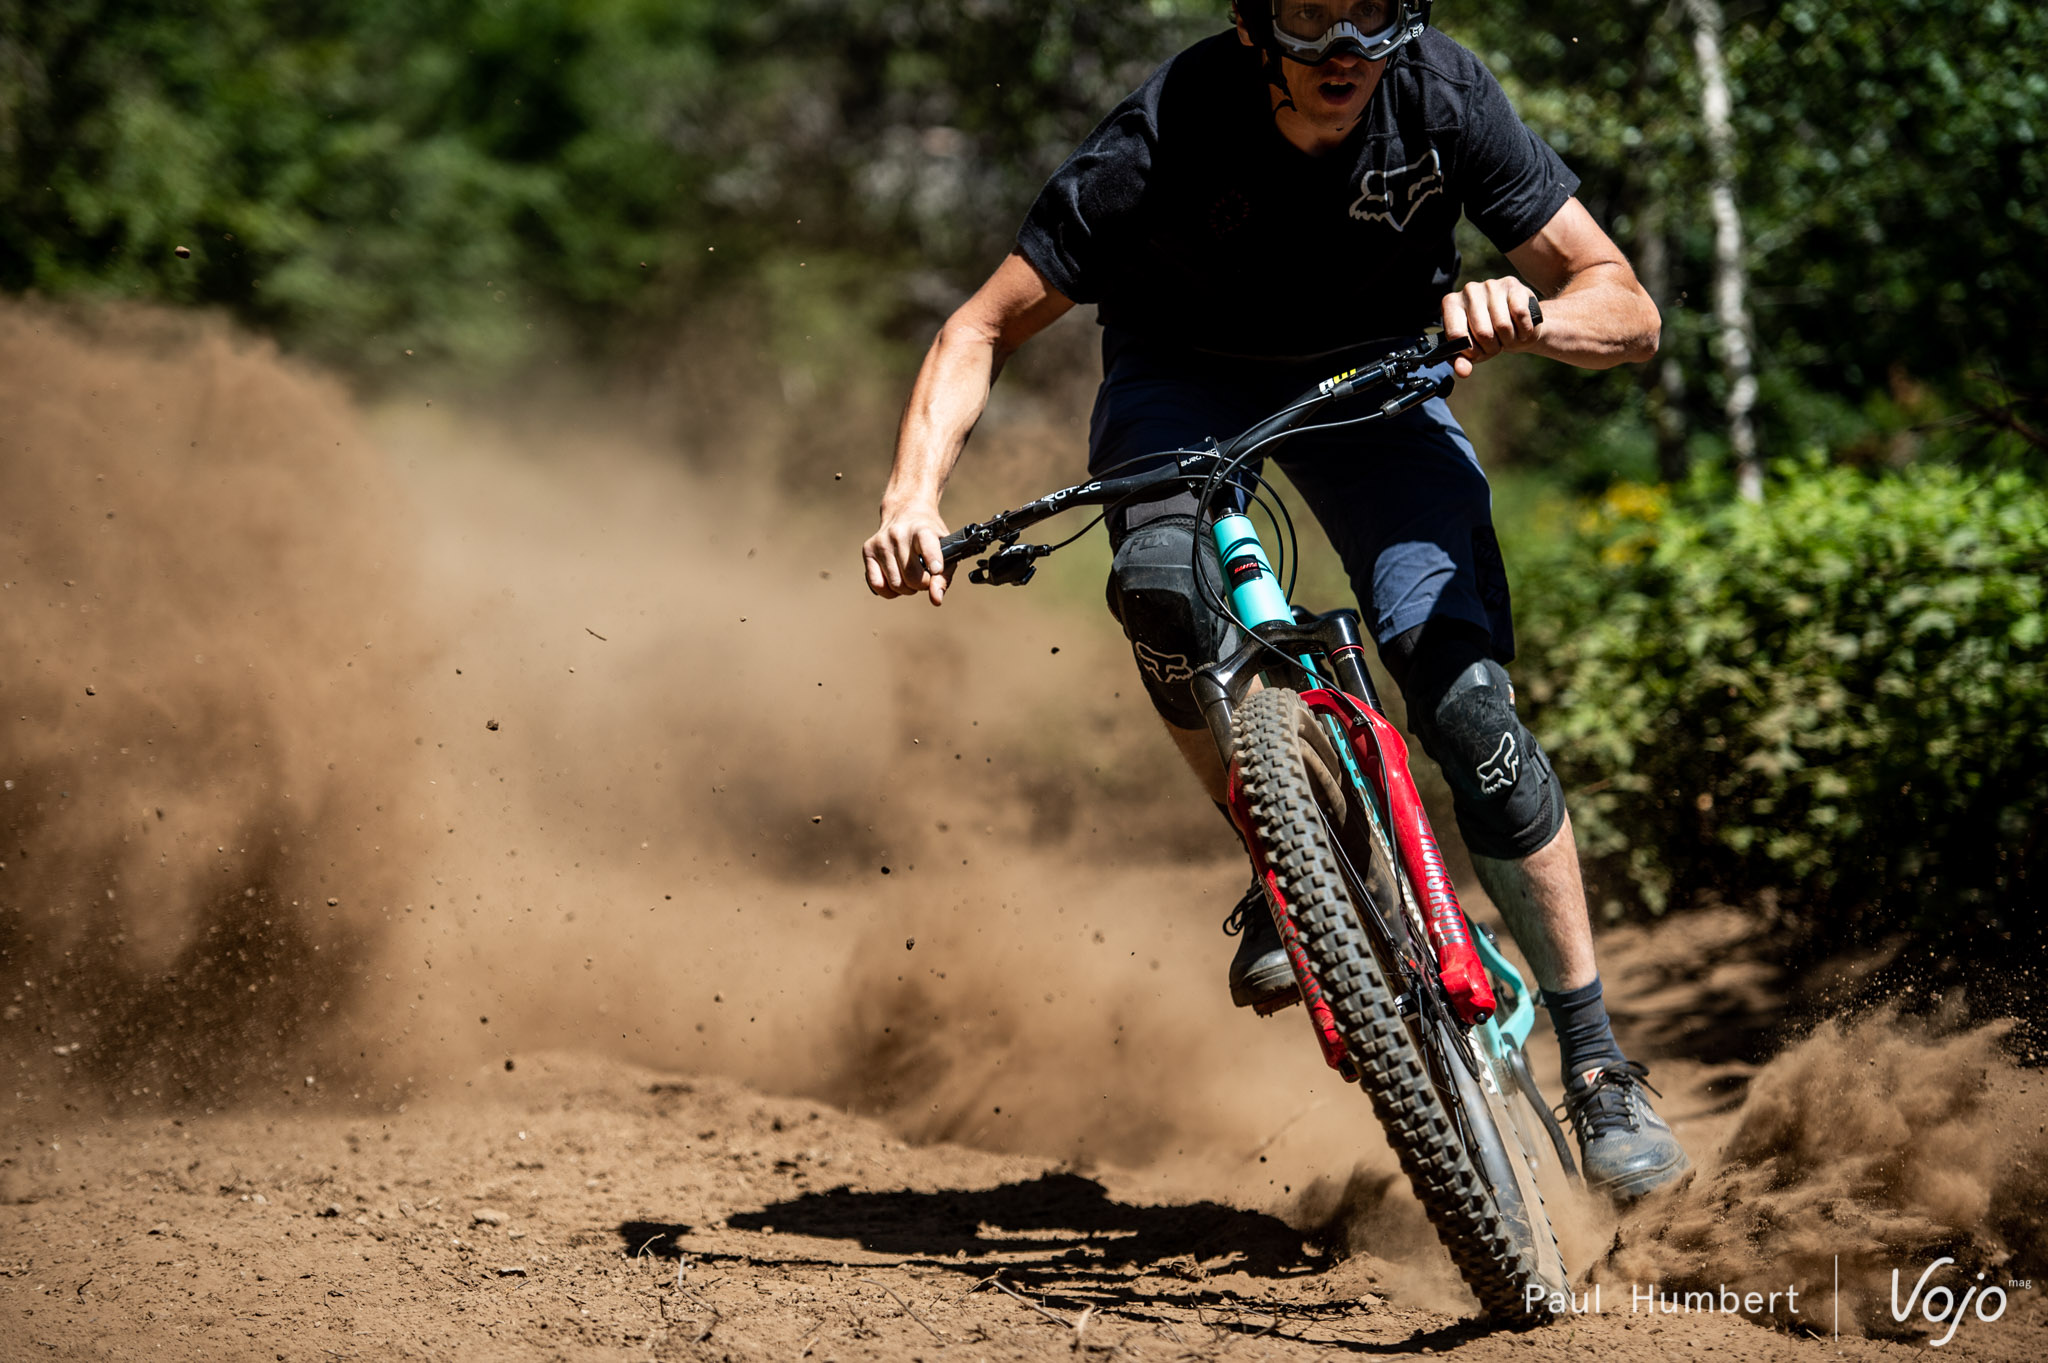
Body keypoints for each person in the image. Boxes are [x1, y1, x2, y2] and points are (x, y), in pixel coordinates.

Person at [860, 1, 1688, 1202]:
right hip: (1182, 380)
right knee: (1160, 588)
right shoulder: (1164, 129)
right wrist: (911, 496)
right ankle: (1283, 856)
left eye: (1372, 8)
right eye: (1309, 13)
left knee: (1469, 713)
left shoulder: (1443, 96)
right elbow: (980, 325)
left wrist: (1530, 318)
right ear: (1254, 29)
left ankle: (1599, 1065)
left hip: (1379, 380)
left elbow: (1626, 305)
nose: (1344, 43)